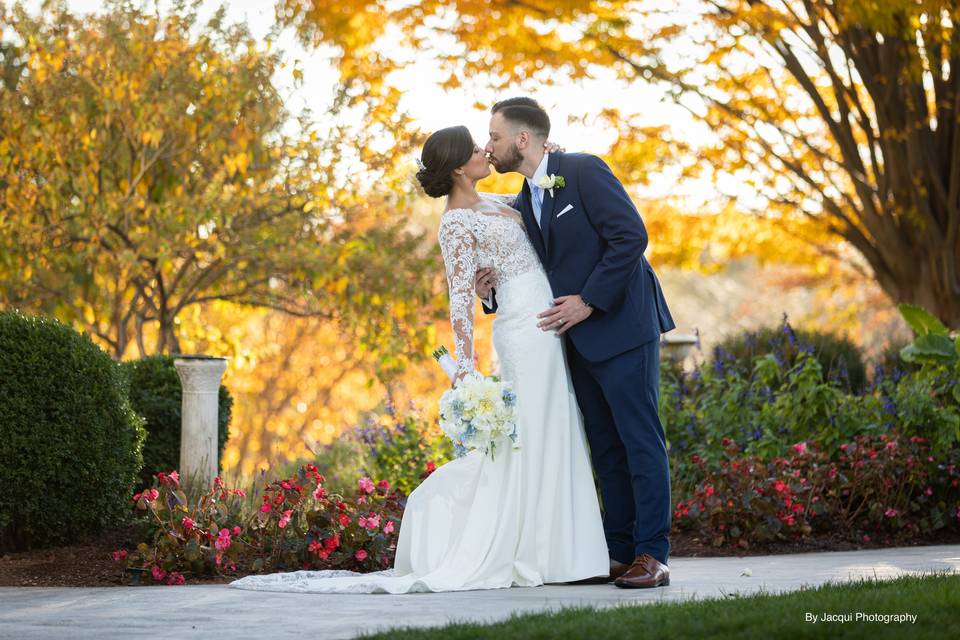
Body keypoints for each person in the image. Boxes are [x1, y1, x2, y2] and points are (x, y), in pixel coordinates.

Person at [228, 126, 609, 594]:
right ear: (456, 167)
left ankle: (564, 551)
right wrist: (466, 368)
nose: (485, 151)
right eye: (475, 149)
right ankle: (537, 552)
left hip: (547, 325)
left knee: (553, 428)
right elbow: (459, 299)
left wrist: (552, 156)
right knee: (531, 434)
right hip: (522, 335)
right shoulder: (454, 223)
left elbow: (537, 200)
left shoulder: (500, 203)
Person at [478, 97, 675, 588]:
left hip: (623, 326)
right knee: (605, 448)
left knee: (640, 440)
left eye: (495, 137)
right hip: (575, 341)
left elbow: (631, 236)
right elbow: (531, 270)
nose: (489, 147)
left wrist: (588, 300)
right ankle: (618, 550)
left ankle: (654, 554)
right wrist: (491, 292)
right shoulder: (524, 197)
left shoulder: (584, 170)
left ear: (523, 139)